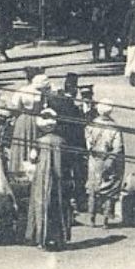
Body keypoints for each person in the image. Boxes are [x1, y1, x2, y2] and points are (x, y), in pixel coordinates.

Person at [25, 110, 72, 250]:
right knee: (59, 206)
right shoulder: (62, 141)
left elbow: (32, 158)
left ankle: (41, 239)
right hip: (59, 178)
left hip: (42, 178)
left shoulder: (38, 142)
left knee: (41, 205)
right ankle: (60, 238)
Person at [51, 73, 89, 209]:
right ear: (73, 89)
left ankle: (67, 198)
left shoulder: (56, 101)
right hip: (74, 143)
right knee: (78, 173)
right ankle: (79, 199)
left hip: (62, 141)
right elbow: (80, 124)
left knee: (65, 172)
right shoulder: (71, 106)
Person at [85, 102, 125, 227]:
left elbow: (88, 144)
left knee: (93, 189)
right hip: (109, 161)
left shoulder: (91, 125)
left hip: (94, 160)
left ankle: (92, 218)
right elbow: (118, 148)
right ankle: (105, 221)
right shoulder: (115, 128)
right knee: (108, 191)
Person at [7, 83, 44, 182]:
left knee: (21, 144)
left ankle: (19, 170)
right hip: (34, 119)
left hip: (22, 119)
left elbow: (15, 107)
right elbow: (38, 108)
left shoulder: (21, 90)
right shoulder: (38, 92)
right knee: (33, 142)